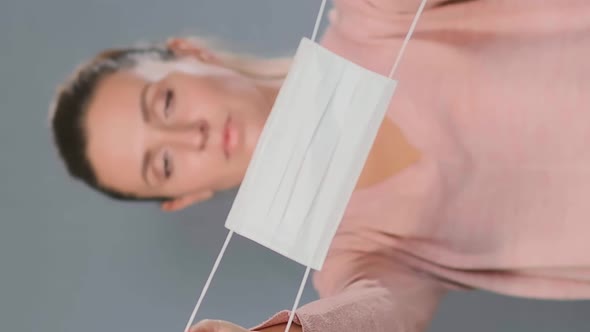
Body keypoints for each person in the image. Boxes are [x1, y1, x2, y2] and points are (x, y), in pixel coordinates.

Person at [49, 0, 590, 331]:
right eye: (163, 163)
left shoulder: (374, 19)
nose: (192, 136)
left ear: (192, 54)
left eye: (165, 103)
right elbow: (380, 317)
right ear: (184, 197)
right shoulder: (353, 257)